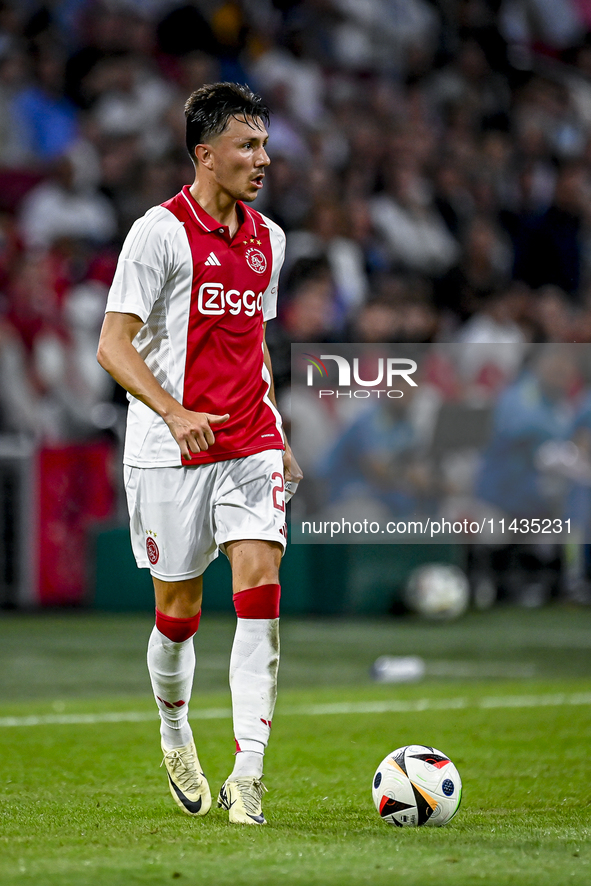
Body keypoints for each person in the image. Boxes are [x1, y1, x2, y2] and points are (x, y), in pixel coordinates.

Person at [97, 82, 302, 826]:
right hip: (167, 447)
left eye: (264, 144)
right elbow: (112, 344)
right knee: (178, 614)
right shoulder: (157, 234)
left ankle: (247, 773)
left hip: (247, 441)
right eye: (247, 146)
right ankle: (175, 729)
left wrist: (277, 433)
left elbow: (257, 348)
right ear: (204, 153)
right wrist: (174, 410)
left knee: (260, 588)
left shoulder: (270, 240)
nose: (263, 159)